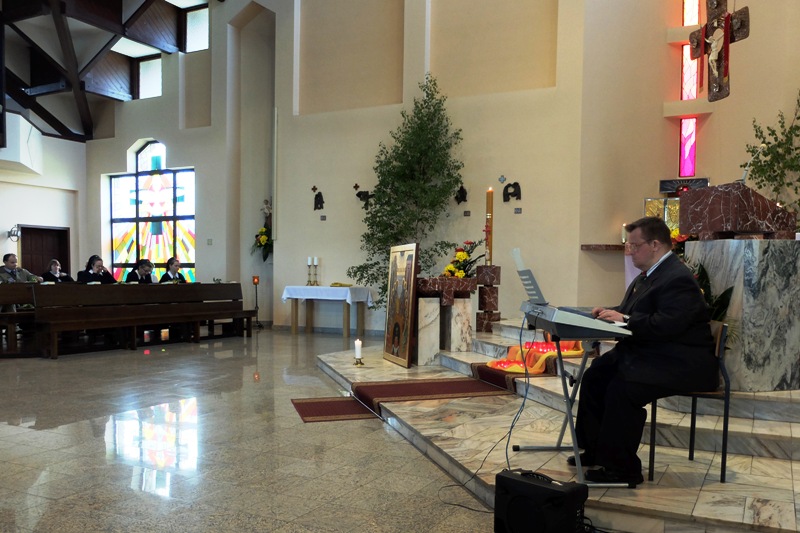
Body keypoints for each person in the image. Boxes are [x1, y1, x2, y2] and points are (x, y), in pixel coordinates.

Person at [571, 216, 718, 486]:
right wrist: (607, 313)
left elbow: (668, 324)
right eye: (628, 246)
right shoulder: (649, 275)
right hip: (656, 353)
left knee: (623, 387)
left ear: (655, 245)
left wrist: (624, 319)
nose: (629, 252)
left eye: (634, 246)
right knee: (596, 374)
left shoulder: (677, 278)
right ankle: (595, 450)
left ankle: (622, 469)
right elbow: (632, 311)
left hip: (682, 361)